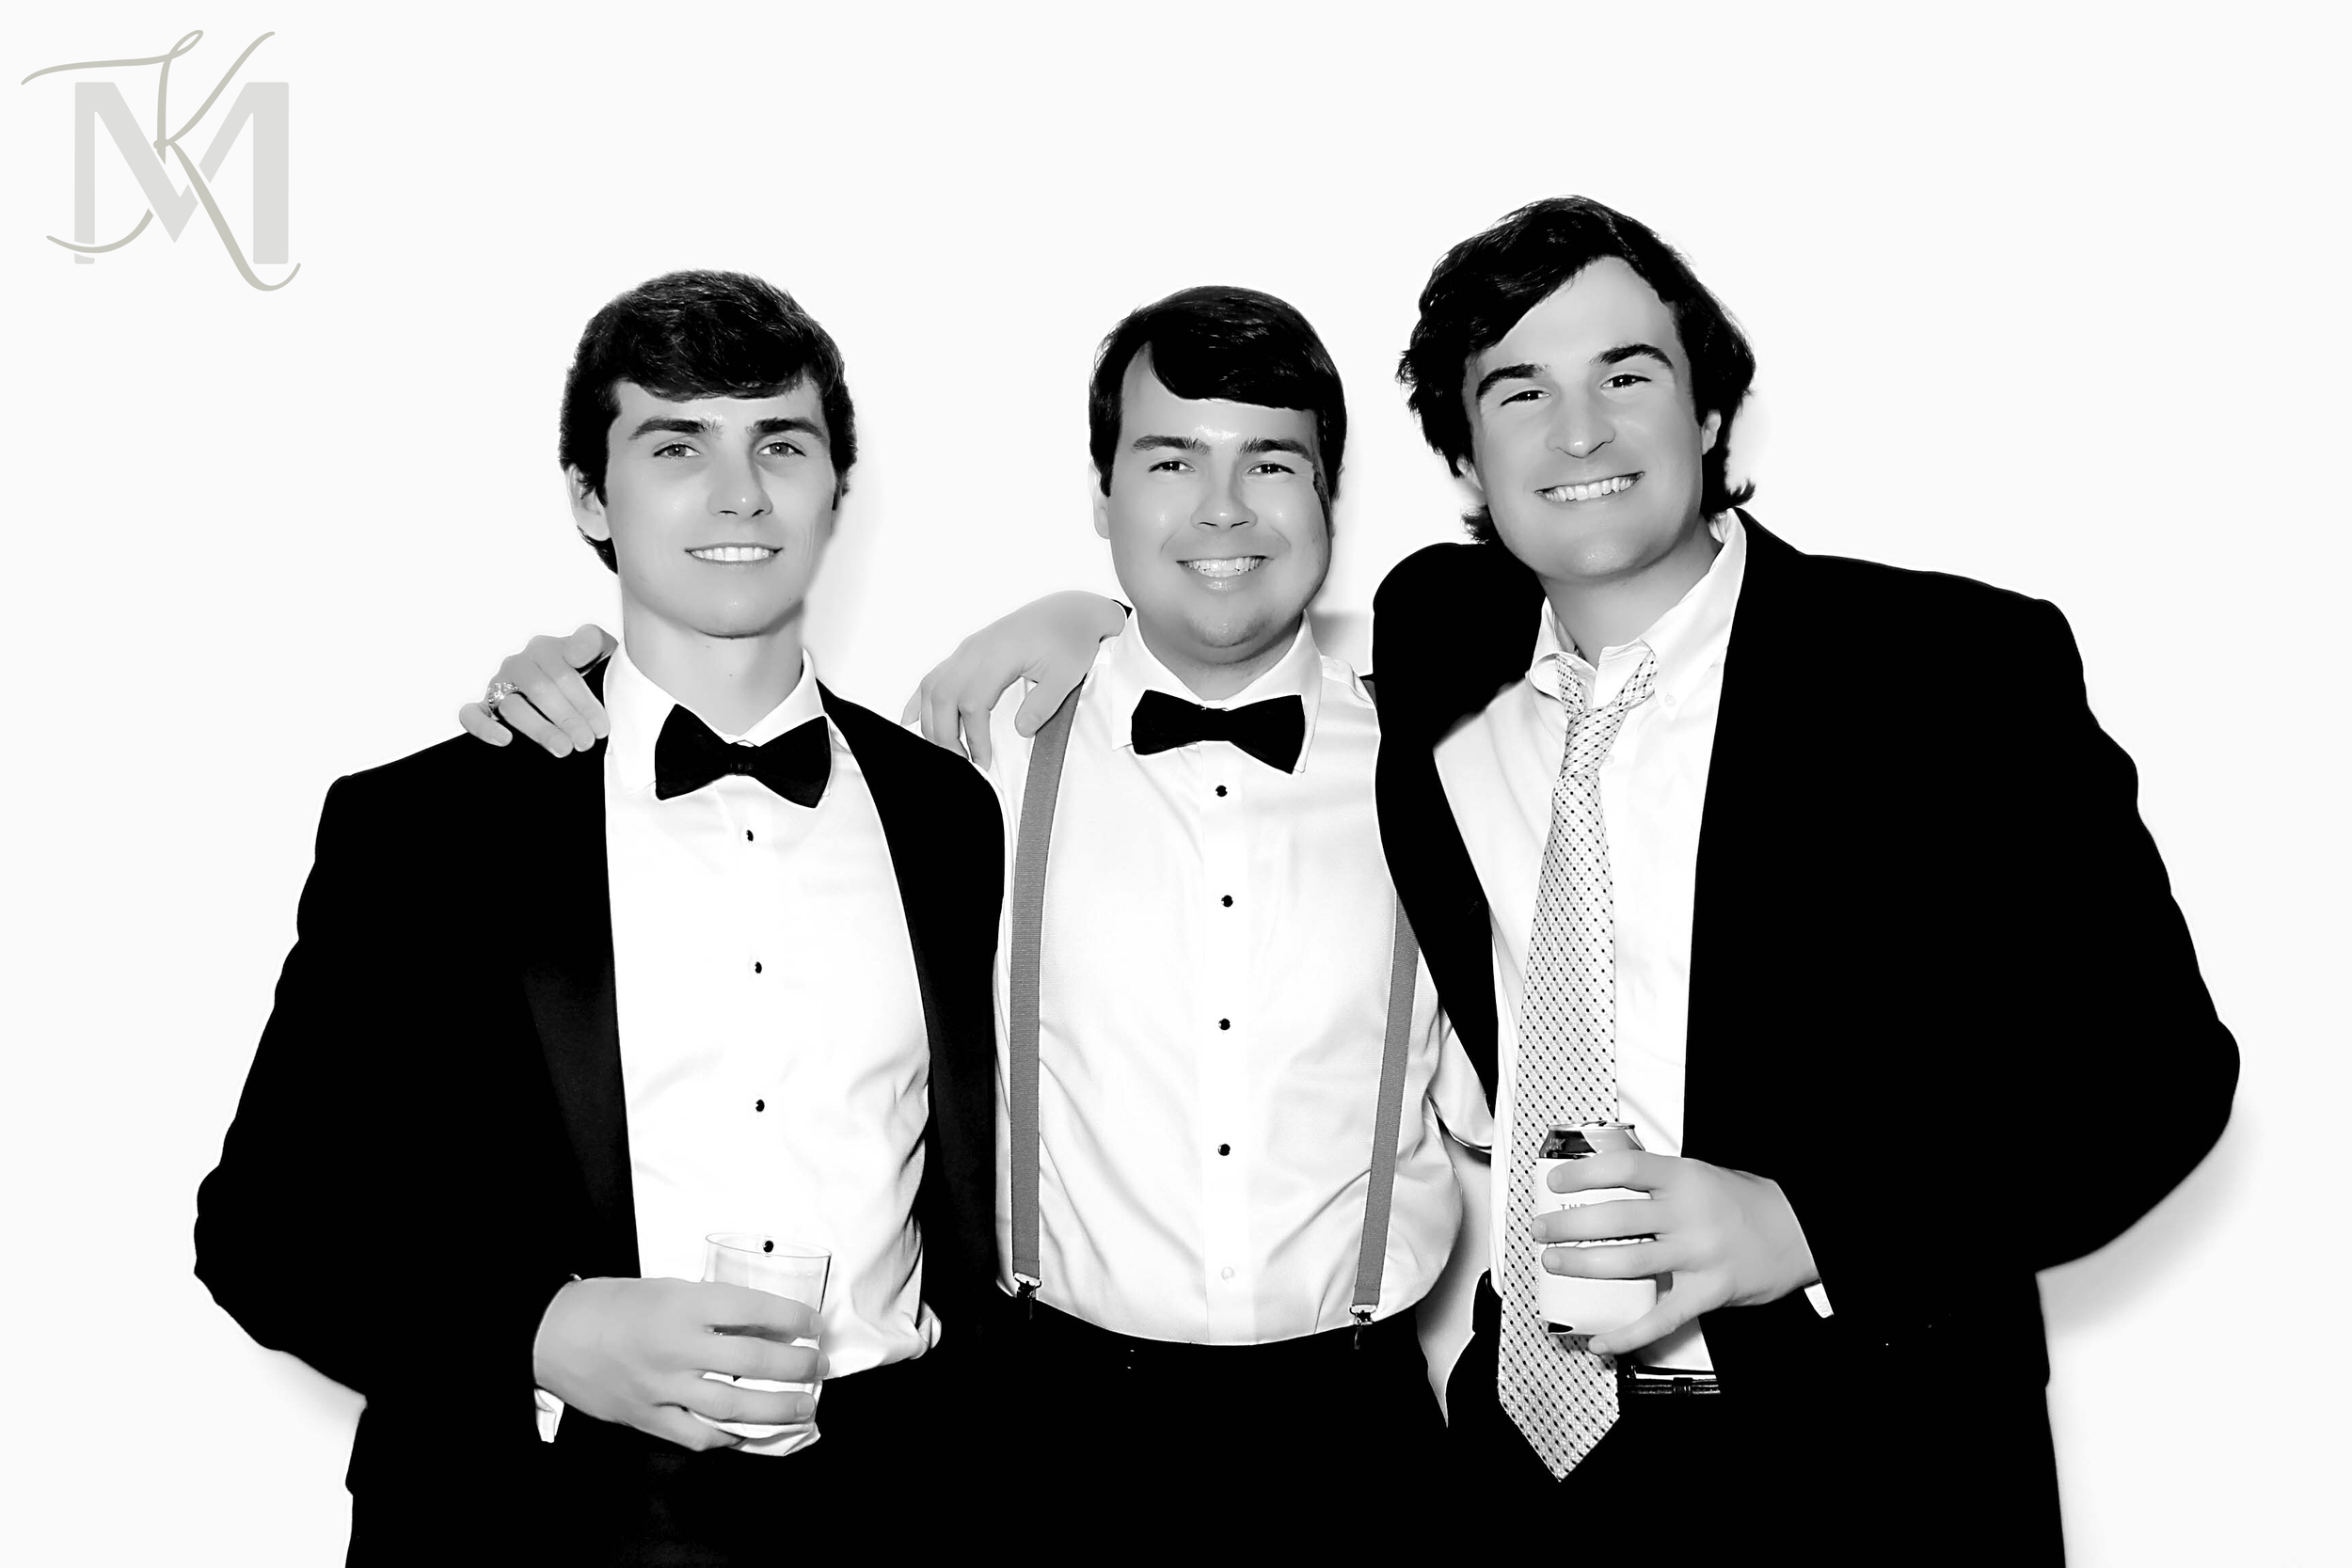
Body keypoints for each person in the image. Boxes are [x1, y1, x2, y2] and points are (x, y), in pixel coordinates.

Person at [733, 198, 2239, 1560]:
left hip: (1869, 1458)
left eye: (1626, 376)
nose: (1576, 433)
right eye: (1521, 391)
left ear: (1711, 405)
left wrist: (1804, 1222)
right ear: (1465, 457)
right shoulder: (1443, 664)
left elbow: (2158, 1079)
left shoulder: (1948, 673)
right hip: (1529, 1466)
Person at [466, 284, 1491, 1521]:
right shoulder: (970, 768)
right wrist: (588, 690)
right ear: (1102, 499)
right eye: (1171, 460)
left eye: (1271, 463)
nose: (1223, 507)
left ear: (1326, 499)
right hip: (1049, 1435)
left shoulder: (1443, 772)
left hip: (1362, 1438)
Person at [196, 271, 1003, 1565]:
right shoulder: (428, 824)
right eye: (676, 445)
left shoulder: (953, 813)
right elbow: (262, 1229)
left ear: (835, 492)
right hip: (533, 1518)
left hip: (901, 1510)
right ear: (589, 495)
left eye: (780, 445)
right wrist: (540, 1331)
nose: (739, 493)